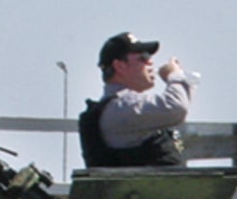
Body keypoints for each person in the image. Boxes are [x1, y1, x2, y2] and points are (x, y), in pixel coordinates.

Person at [78, 32, 195, 168]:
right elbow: (176, 108)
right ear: (120, 66)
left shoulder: (117, 107)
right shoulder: (122, 106)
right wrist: (174, 75)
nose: (150, 62)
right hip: (148, 189)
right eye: (143, 57)